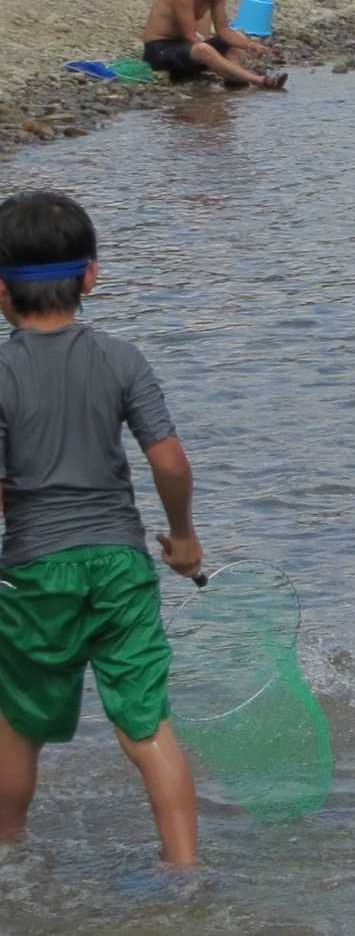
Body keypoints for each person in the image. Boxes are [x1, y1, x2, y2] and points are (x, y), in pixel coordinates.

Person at [0, 190, 206, 865]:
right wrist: (183, 537)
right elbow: (170, 460)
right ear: (92, 276)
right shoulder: (123, 359)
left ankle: (11, 860)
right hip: (120, 561)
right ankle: (184, 872)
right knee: (147, 725)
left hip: (34, 568)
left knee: (19, 723)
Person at [141, 0, 287, 90]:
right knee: (203, 49)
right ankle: (260, 81)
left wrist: (250, 45)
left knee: (236, 39)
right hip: (159, 50)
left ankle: (233, 79)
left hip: (184, 52)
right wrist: (211, 56)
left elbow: (223, 30)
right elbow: (190, 35)